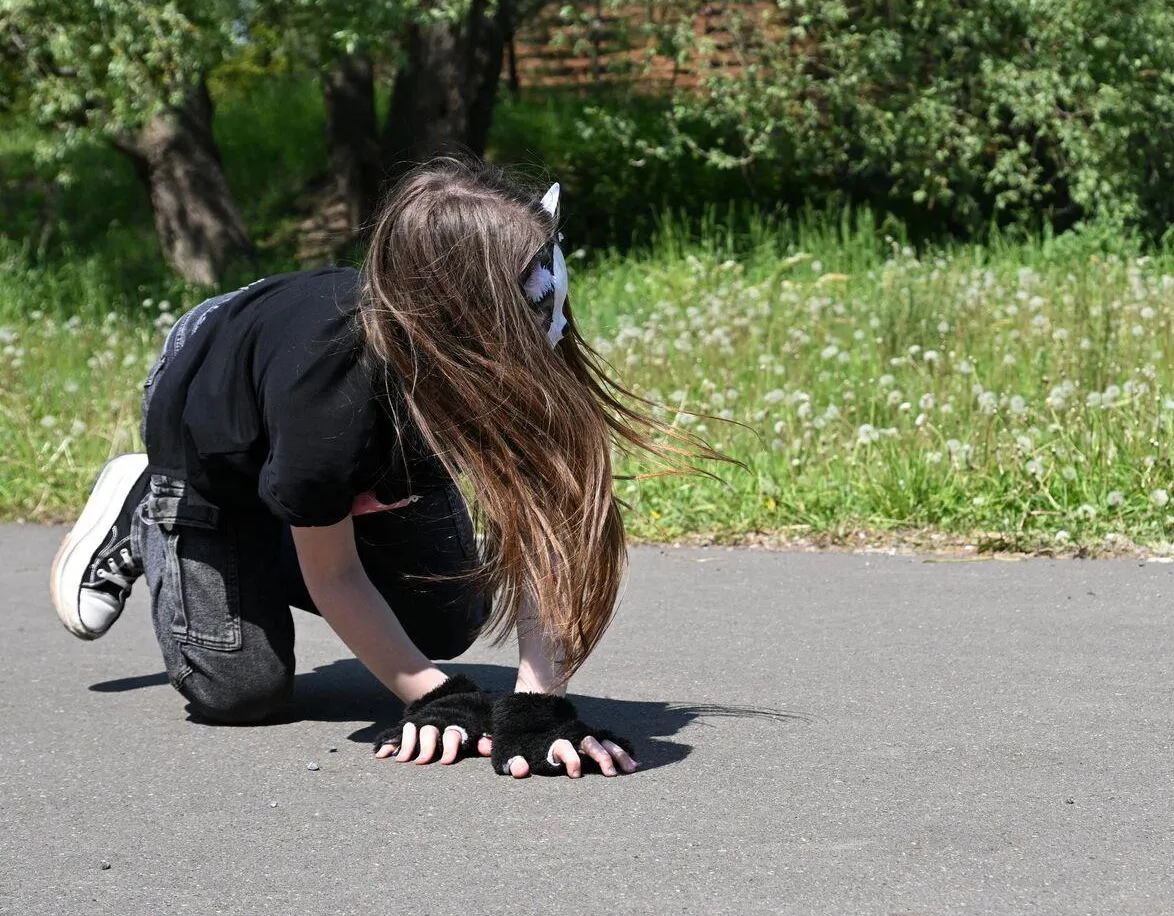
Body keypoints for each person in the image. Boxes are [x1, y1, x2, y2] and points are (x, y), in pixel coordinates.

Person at [49, 158, 714, 779]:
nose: (555, 307)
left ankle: (305, 510)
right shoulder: (331, 407)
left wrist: (539, 709)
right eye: (537, 290)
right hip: (215, 425)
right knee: (241, 690)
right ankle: (145, 503)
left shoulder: (516, 335)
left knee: (448, 622)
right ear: (464, 313)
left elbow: (552, 526)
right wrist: (431, 694)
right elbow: (333, 571)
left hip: (359, 440)